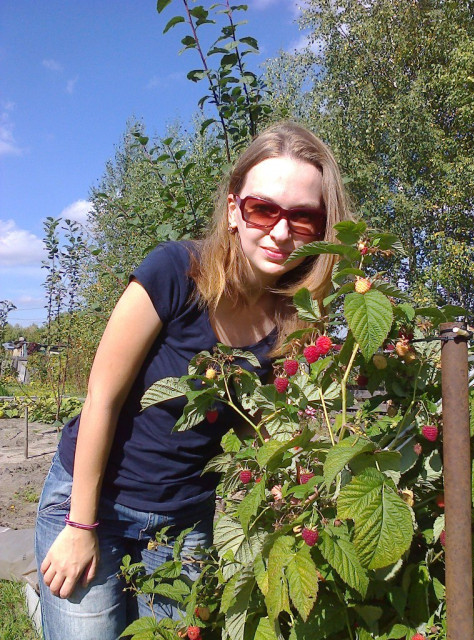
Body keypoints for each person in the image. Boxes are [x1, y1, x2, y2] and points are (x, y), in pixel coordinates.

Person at [35, 121, 351, 639]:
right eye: (263, 208)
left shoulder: (295, 319)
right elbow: (101, 399)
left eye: (302, 217)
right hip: (94, 506)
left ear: (320, 227)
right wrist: (81, 527)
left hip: (185, 526)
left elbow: (257, 426)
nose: (279, 230)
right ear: (233, 209)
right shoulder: (174, 272)